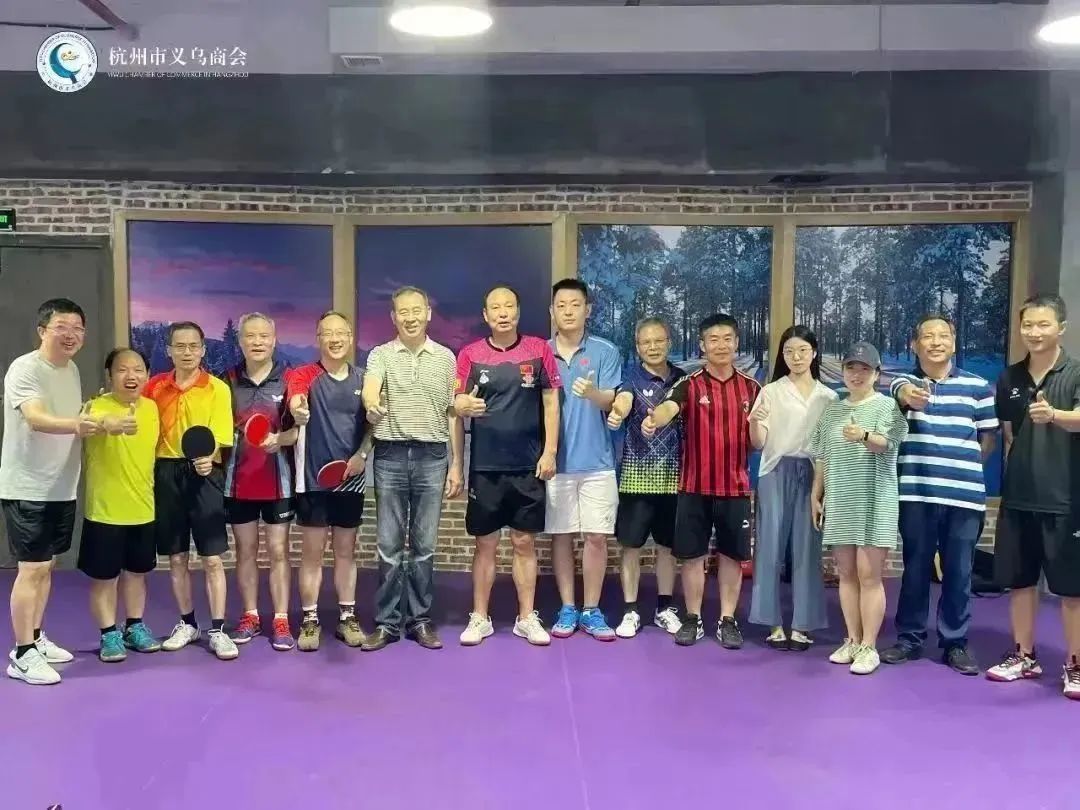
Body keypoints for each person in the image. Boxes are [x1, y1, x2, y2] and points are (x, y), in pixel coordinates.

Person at [880, 314, 998, 675]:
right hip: (916, 495)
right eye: (927, 336)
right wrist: (908, 396)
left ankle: (955, 642)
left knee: (959, 572)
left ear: (954, 343)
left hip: (964, 497)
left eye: (943, 335)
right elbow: (899, 390)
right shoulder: (903, 383)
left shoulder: (978, 386)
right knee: (915, 568)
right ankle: (909, 638)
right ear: (914, 345)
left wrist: (959, 468)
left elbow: (988, 441)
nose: (935, 342)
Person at [644, 313, 760, 648]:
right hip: (694, 486)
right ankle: (693, 618)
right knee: (692, 556)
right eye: (713, 339)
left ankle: (727, 619)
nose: (720, 345)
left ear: (736, 343)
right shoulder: (689, 384)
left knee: (731, 557)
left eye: (727, 339)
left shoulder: (752, 389)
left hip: (735, 488)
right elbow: (669, 407)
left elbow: (760, 436)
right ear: (702, 345)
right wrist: (655, 419)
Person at [455, 285, 560, 646]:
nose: (503, 312)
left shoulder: (539, 350)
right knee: (485, 544)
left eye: (509, 306)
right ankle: (479, 617)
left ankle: (526, 617)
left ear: (518, 311)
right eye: (495, 307)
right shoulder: (470, 355)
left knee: (523, 542)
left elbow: (551, 402)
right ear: (486, 315)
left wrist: (549, 452)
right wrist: (461, 408)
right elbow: (457, 407)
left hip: (527, 466)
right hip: (485, 468)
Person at [987, 293, 1080, 699]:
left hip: (1066, 499)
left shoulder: (1076, 373)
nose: (1035, 332)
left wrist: (1056, 415)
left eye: (1044, 324)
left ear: (1062, 328)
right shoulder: (1009, 377)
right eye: (1028, 325)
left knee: (1072, 589)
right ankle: (1025, 656)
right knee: (1020, 582)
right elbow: (1009, 435)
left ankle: (1076, 664)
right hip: (1019, 498)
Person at [361, 287, 464, 652]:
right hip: (389, 455)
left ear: (428, 313)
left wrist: (456, 465)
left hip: (433, 457)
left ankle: (420, 620)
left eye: (416, 310)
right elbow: (370, 390)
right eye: (402, 312)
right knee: (389, 546)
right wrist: (372, 405)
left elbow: (453, 414)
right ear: (393, 317)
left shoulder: (446, 358)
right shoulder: (380, 354)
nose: (410, 317)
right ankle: (387, 623)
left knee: (424, 546)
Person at [2, 299, 95, 685]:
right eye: (62, 327)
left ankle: (35, 637)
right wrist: (81, 425)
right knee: (32, 568)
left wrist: (86, 417)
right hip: (28, 486)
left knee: (47, 565)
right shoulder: (26, 368)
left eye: (78, 328)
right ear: (43, 331)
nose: (71, 334)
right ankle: (22, 654)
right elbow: (36, 418)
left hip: (61, 486)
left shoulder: (70, 369)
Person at [808, 341, 908, 675]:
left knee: (869, 576)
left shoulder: (887, 406)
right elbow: (822, 455)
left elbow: (888, 444)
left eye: (864, 369)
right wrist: (816, 493)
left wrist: (864, 435)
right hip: (840, 500)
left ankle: (869, 646)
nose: (856, 374)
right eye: (851, 368)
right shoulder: (833, 410)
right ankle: (851, 640)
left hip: (875, 501)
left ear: (876, 374)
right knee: (846, 575)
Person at [145, 322, 238, 660]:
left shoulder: (217, 388)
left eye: (193, 346)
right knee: (177, 557)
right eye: (180, 346)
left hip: (204, 473)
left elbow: (221, 437)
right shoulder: (153, 388)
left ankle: (218, 630)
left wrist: (209, 459)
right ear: (169, 350)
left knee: (211, 558)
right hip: (166, 473)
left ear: (203, 350)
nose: (187, 352)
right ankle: (187, 623)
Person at [287, 311, 372, 652]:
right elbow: (296, 399)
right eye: (327, 333)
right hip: (313, 480)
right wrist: (298, 410)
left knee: (346, 552)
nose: (335, 339)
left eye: (341, 333)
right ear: (318, 338)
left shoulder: (364, 378)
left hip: (350, 478)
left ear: (350, 338)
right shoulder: (304, 375)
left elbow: (372, 424)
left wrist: (362, 454)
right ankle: (310, 620)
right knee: (312, 553)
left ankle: (347, 618)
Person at [747, 326, 835, 651]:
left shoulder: (828, 397)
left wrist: (822, 487)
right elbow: (759, 443)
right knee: (769, 545)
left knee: (808, 548)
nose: (796, 357)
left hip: (813, 472)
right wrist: (754, 422)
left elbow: (829, 446)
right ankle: (772, 623)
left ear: (814, 353)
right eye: (788, 351)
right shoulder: (771, 391)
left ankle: (802, 625)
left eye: (802, 350)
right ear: (782, 355)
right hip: (775, 470)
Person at [546, 279, 622, 641]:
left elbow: (612, 399)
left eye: (575, 304)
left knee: (595, 537)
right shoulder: (541, 352)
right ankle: (567, 606)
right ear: (552, 311)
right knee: (561, 535)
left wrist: (593, 393)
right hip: (555, 463)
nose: (568, 311)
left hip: (597, 463)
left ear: (587, 310)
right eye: (561, 305)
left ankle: (591, 609)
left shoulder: (605, 351)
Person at [78, 348, 162, 662]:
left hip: (143, 508)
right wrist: (108, 423)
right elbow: (92, 422)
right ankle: (109, 634)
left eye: (138, 369)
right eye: (122, 370)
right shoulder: (93, 407)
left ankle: (135, 626)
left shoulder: (151, 408)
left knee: (137, 575)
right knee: (104, 579)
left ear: (147, 375)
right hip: (105, 511)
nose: (131, 376)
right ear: (110, 376)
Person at [606, 317, 685, 639]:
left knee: (667, 548)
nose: (653, 347)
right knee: (631, 547)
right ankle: (630, 611)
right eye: (646, 342)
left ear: (669, 342)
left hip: (673, 479)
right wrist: (618, 412)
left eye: (658, 341)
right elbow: (623, 400)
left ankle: (665, 608)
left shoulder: (683, 379)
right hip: (635, 479)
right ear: (638, 347)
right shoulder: (630, 377)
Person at [225, 313, 299, 652]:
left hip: (278, 482)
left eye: (264, 336)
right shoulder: (227, 380)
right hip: (238, 482)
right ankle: (251, 616)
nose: (257, 342)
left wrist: (279, 439)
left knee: (279, 551)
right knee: (246, 551)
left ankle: (281, 619)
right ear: (241, 341)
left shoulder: (289, 379)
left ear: (274, 340)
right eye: (250, 336)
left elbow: (297, 431)